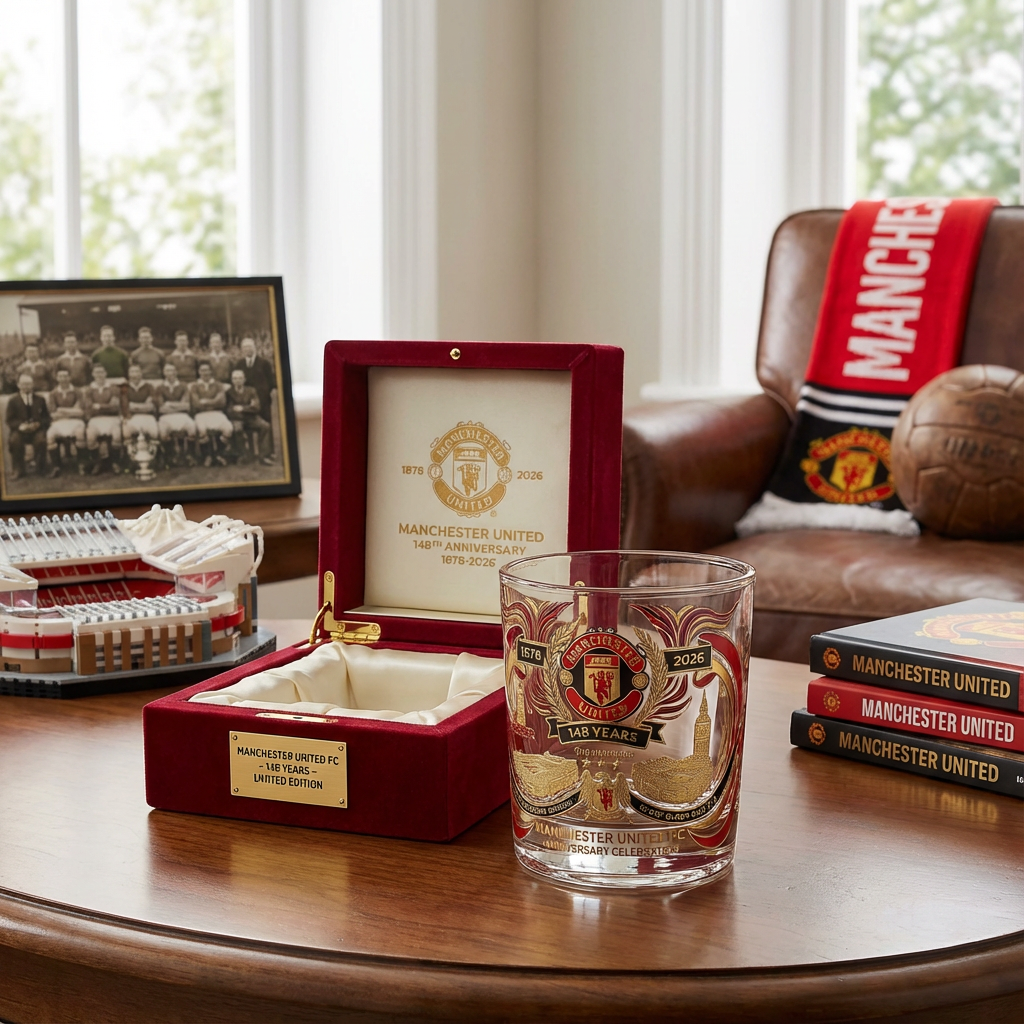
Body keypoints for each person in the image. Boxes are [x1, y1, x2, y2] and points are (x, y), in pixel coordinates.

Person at [6, 372, 50, 479]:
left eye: (29, 384)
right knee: (14, 441)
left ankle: (41, 468)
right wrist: (21, 426)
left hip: (37, 430)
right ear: (19, 385)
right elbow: (9, 420)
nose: (26, 386)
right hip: (20, 430)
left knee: (41, 440)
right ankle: (18, 469)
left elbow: (46, 418)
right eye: (24, 384)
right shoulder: (13, 401)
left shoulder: (40, 399)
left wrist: (38, 424)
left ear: (33, 385)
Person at [189, 361, 232, 466]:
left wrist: (206, 401)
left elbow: (222, 402)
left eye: (207, 370)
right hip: (201, 414)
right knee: (202, 430)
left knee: (228, 428)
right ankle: (207, 455)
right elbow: (196, 404)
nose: (205, 373)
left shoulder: (218, 385)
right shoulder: (194, 386)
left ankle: (219, 454)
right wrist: (214, 401)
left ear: (211, 371)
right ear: (199, 372)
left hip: (217, 413)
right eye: (202, 370)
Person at [82, 364, 123, 474]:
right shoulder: (88, 390)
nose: (99, 375)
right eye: (97, 372)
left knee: (117, 435)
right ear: (93, 374)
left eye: (101, 372)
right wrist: (106, 406)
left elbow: (115, 407)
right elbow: (89, 408)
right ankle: (97, 462)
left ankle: (115, 462)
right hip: (95, 419)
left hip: (112, 418)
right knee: (90, 436)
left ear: (105, 374)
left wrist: (98, 406)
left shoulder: (113, 388)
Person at [226, 368, 272, 465]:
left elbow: (256, 407)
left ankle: (263, 456)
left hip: (251, 418)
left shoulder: (251, 390)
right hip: (236, 419)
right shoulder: (228, 392)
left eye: (240, 378)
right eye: (235, 378)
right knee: (237, 429)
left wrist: (242, 408)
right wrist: (248, 407)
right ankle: (243, 455)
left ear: (244, 379)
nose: (237, 380)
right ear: (232, 380)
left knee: (265, 426)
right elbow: (229, 410)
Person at [45, 368, 87, 476]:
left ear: (70, 377)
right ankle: (56, 466)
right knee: (50, 435)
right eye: (60, 376)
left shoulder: (77, 391)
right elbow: (53, 414)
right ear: (57, 378)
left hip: (76, 421)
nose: (63, 379)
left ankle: (81, 464)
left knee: (80, 434)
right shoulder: (53, 393)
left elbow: (81, 412)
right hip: (59, 422)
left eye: (65, 376)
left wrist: (61, 410)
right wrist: (72, 411)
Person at [156, 363, 197, 465]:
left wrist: (169, 404)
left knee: (192, 427)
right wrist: (178, 405)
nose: (170, 373)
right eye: (167, 371)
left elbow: (186, 406)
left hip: (182, 415)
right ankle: (171, 455)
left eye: (172, 370)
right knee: (163, 431)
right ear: (164, 373)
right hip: (165, 417)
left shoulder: (183, 386)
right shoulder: (160, 387)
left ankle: (189, 455)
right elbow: (161, 409)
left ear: (176, 372)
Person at [234, 336, 276, 422]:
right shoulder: (239, 364)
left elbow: (271, 382)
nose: (247, 349)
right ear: (242, 349)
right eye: (245, 347)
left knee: (265, 424)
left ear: (254, 347)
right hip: (246, 400)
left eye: (249, 346)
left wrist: (264, 394)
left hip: (263, 399)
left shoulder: (264, 363)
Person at [122, 363, 160, 445]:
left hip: (148, 416)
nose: (134, 374)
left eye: (137, 371)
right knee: (126, 433)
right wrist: (144, 406)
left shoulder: (149, 386)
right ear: (128, 374)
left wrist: (134, 406)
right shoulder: (124, 388)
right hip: (132, 416)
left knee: (154, 432)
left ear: (141, 373)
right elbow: (126, 407)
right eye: (132, 372)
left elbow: (152, 406)